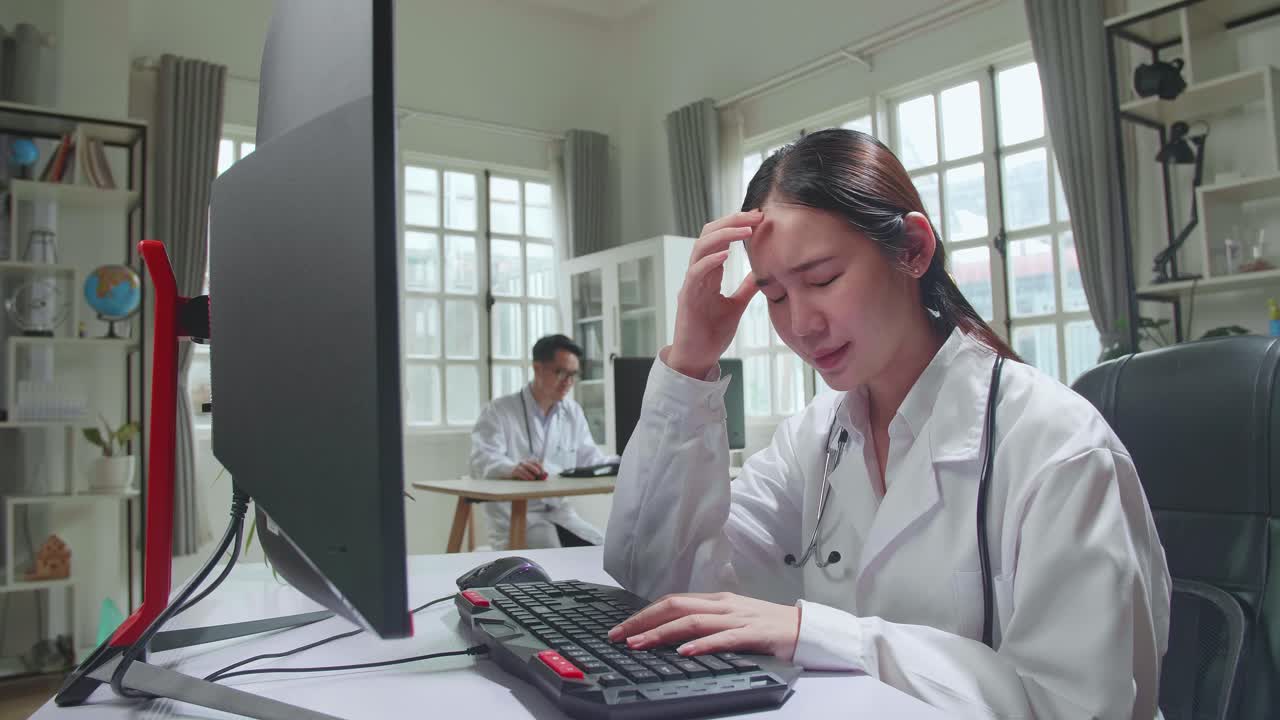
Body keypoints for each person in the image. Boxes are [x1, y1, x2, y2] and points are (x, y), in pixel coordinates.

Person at [603, 129, 1170, 719]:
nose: (800, 324)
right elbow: (658, 583)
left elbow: (1077, 707)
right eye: (773, 296)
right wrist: (691, 360)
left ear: (913, 250)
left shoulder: (1057, 446)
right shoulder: (815, 440)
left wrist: (817, 634)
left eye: (822, 280)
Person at [470, 334, 613, 550]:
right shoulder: (499, 411)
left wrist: (622, 464)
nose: (568, 382)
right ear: (538, 368)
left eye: (573, 374)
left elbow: (591, 459)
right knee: (551, 550)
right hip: (516, 517)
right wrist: (512, 469)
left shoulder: (572, 412)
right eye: (561, 372)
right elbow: (481, 459)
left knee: (604, 551)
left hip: (560, 514)